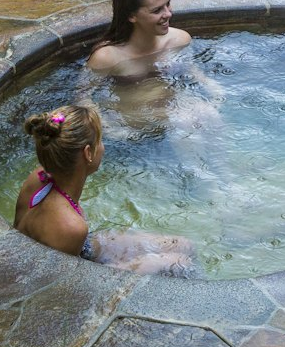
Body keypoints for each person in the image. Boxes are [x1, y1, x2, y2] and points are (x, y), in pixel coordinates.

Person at [15, 104, 194, 273]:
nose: (103, 147)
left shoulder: (38, 177)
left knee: (183, 245)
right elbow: (63, 284)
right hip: (65, 266)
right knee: (180, 263)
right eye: (99, 141)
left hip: (75, 248)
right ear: (88, 153)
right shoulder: (71, 227)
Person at [88, 0, 191, 80]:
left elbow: (196, 75)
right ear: (131, 16)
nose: (168, 14)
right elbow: (83, 95)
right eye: (157, 10)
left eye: (168, 3)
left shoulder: (179, 40)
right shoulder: (107, 58)